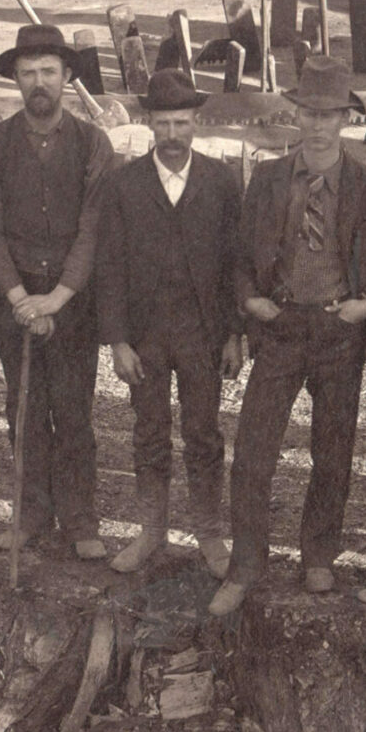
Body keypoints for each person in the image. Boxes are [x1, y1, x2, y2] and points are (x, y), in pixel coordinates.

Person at [216, 56, 366, 613]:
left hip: (337, 331)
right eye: (310, 113)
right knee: (253, 452)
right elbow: (238, 255)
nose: (319, 125)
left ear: (347, 119)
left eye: (330, 115)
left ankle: (319, 556)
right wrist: (250, 301)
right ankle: (246, 563)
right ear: (296, 115)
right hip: (279, 327)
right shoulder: (269, 179)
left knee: (332, 452)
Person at [0, 24, 115, 561]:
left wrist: (57, 298)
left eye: (49, 71)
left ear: (67, 76)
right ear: (15, 79)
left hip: (73, 298)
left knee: (74, 410)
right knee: (24, 407)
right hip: (15, 294)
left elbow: (94, 227)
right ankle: (30, 513)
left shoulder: (93, 143)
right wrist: (17, 298)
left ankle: (79, 518)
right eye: (28, 72)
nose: (38, 82)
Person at [96, 69, 245, 574]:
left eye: (182, 123)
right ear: (149, 124)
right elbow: (109, 266)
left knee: (204, 433)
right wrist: (118, 341)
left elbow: (236, 264)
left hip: (202, 333)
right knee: (149, 431)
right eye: (163, 123)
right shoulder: (124, 184)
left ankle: (210, 535)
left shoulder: (222, 182)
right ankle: (151, 532)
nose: (173, 134)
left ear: (196, 122)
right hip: (147, 335)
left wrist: (234, 334)